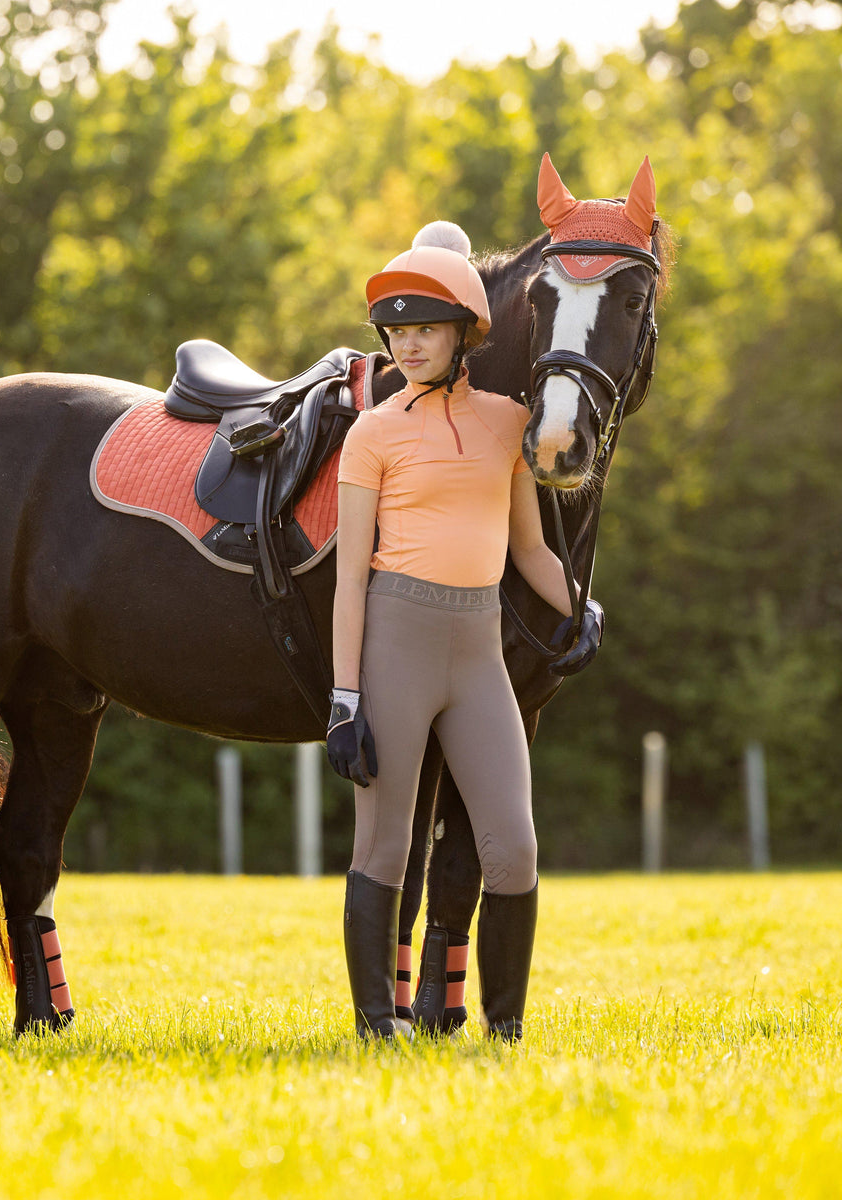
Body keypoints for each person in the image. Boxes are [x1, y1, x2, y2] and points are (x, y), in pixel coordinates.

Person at [326, 228, 601, 1041]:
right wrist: (346, 698)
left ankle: (504, 1029)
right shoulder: (371, 433)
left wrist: (580, 606)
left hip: (478, 652)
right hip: (397, 645)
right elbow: (350, 580)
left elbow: (531, 549)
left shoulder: (507, 424)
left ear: (466, 335)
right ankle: (379, 1024)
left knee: (513, 849)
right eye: (395, 332)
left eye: (425, 329)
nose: (407, 344)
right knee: (384, 849)